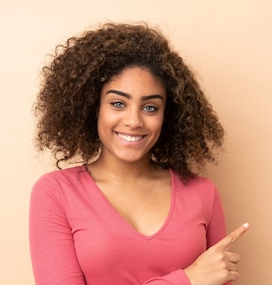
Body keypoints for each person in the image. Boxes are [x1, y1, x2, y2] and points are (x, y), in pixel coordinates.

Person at [29, 22, 248, 285]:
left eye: (150, 108)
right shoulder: (56, 193)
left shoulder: (202, 193)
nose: (134, 121)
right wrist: (187, 280)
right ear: (93, 107)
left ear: (168, 116)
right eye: (118, 103)